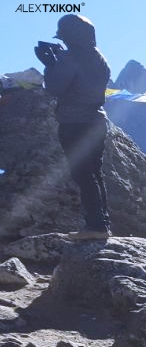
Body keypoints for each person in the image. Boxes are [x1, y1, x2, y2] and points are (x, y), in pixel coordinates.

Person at [35, 14, 112, 241]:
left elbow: (55, 88)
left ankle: (95, 225)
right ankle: (102, 223)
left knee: (82, 173)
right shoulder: (99, 58)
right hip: (97, 121)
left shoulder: (70, 58)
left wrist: (50, 65)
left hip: (75, 122)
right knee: (95, 174)